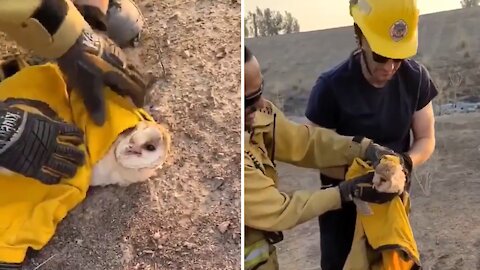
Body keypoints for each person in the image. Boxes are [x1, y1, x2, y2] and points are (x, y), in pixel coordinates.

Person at [243, 46, 408, 270]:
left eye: (261, 90)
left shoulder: (258, 117)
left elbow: (305, 143)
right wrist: (344, 192)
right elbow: (281, 210)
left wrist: (366, 149)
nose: (261, 104)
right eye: (249, 100)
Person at [304, 1, 437, 269]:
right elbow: (313, 153)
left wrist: (404, 163)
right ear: (359, 35)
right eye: (380, 55)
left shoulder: (416, 79)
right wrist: (361, 178)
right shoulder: (331, 87)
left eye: (398, 57)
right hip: (343, 213)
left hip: (391, 209)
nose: (390, 66)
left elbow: (426, 138)